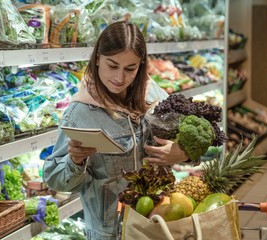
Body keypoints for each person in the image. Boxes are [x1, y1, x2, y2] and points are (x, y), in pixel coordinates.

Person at [43, 21, 189, 239]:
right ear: (98, 59)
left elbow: (194, 136)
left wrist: (184, 152)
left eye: (130, 69)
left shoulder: (154, 95)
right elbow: (55, 180)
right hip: (110, 233)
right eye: (112, 66)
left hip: (159, 224)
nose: (120, 78)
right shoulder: (81, 112)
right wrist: (75, 162)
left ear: (140, 65)